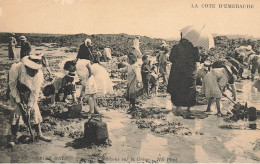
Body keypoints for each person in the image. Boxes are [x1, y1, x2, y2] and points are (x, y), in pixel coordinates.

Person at [8, 53, 52, 146]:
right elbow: (12, 86)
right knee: (16, 113)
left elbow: (35, 92)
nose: (34, 72)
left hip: (30, 93)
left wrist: (28, 107)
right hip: (16, 92)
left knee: (34, 110)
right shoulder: (16, 69)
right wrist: (19, 102)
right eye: (32, 70)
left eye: (36, 70)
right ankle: (13, 137)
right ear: (26, 66)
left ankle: (39, 134)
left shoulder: (39, 74)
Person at [167, 36, 200, 113]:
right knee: (190, 88)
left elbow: (171, 59)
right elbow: (198, 59)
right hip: (190, 71)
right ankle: (189, 108)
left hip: (178, 71)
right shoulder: (194, 47)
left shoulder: (176, 47)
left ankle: (178, 107)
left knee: (177, 88)